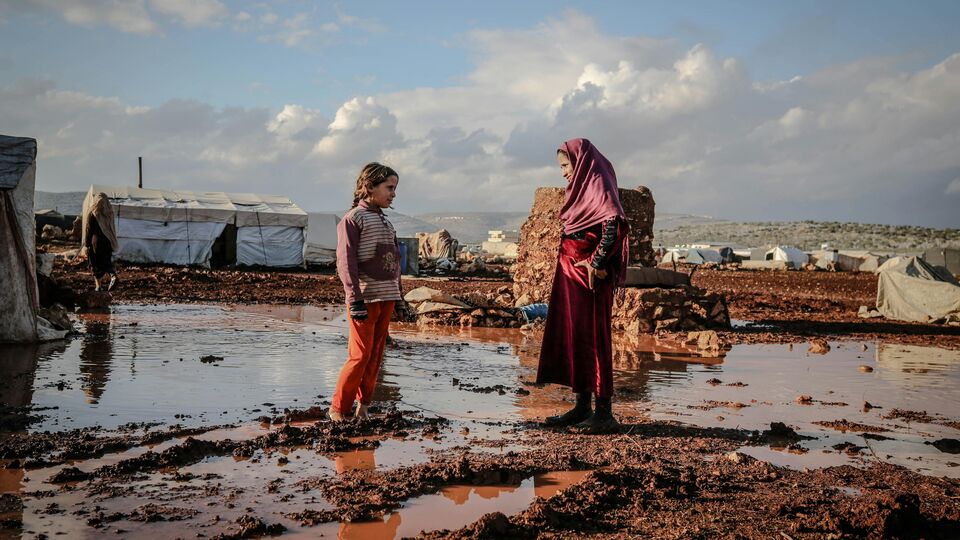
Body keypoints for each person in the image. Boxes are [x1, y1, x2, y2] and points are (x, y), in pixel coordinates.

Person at [537, 138, 629, 433]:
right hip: (571, 274)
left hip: (587, 276)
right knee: (576, 336)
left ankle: (604, 413)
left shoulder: (598, 183)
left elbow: (613, 222)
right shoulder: (582, 190)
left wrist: (597, 264)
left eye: (566, 165)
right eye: (561, 167)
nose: (563, 172)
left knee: (593, 339)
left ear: (582, 163)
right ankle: (581, 406)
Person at [330, 163, 404, 421]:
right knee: (360, 355)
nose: (393, 194)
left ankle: (364, 406)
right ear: (369, 187)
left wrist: (400, 296)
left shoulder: (386, 221)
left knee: (375, 355)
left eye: (395, 189)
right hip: (365, 297)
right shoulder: (353, 219)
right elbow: (345, 262)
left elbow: (395, 262)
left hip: (387, 297)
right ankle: (339, 408)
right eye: (389, 188)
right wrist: (354, 299)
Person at [81, 192, 119, 291]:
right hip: (108, 241)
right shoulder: (110, 213)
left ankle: (98, 286)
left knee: (95, 264)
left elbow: (89, 230)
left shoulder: (93, 212)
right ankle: (113, 275)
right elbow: (112, 228)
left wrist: (87, 244)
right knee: (106, 263)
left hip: (96, 243)